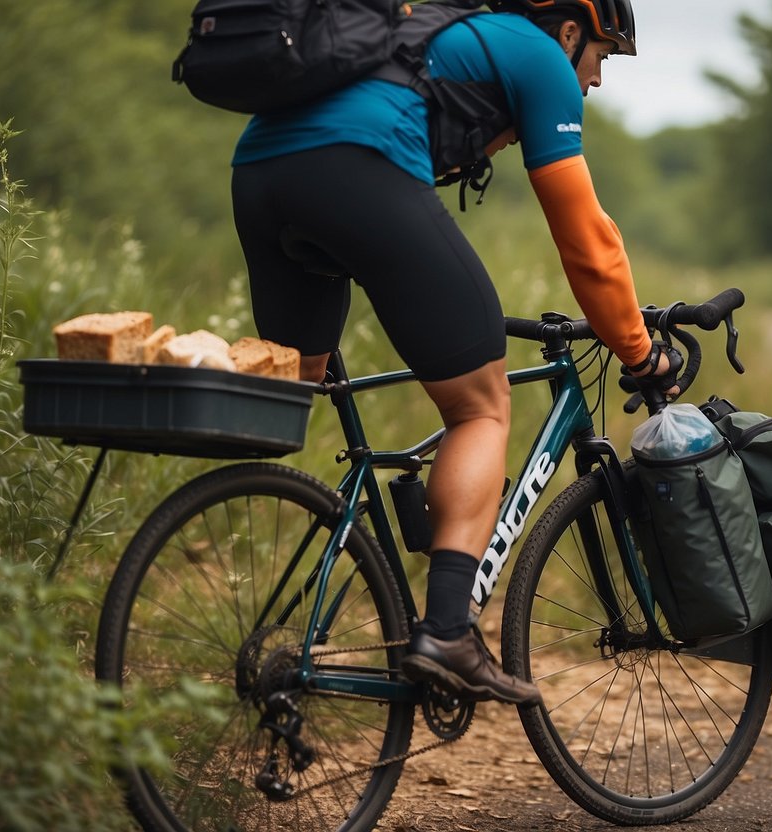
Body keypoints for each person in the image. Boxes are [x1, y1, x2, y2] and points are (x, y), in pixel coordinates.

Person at [231, 0, 674, 706]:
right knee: (480, 406)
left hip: (259, 173)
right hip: (356, 171)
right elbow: (587, 242)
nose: (595, 77)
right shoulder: (537, 60)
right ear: (568, 29)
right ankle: (445, 631)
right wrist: (639, 351)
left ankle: (243, 556)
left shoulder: (438, 36)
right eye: (602, 53)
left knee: (300, 380)